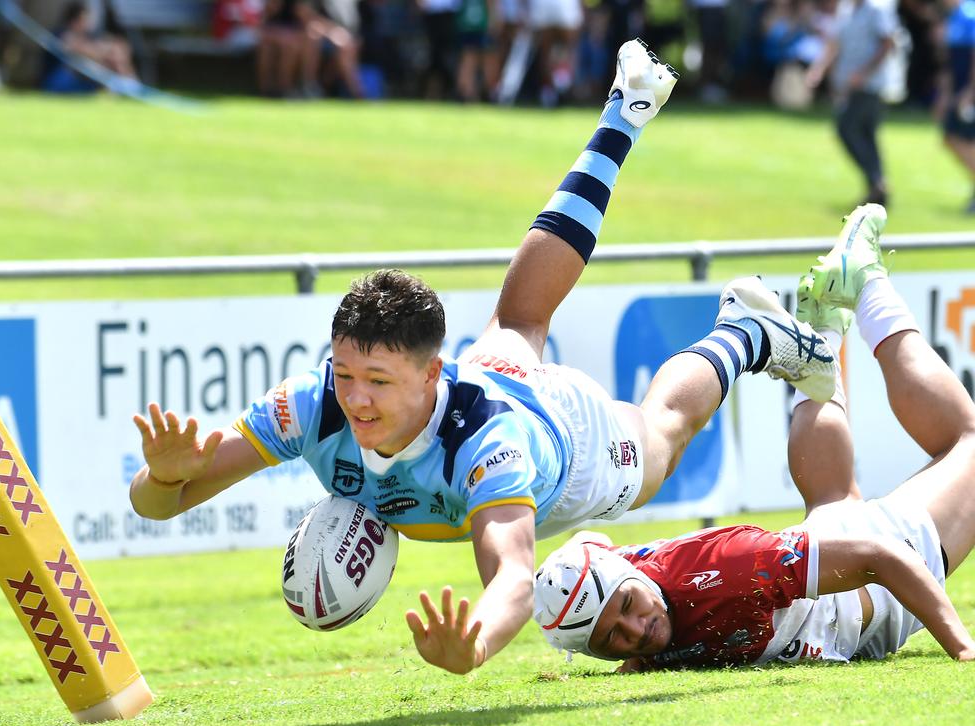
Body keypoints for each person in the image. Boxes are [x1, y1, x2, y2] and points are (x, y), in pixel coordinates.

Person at [130, 39, 838, 675]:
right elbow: (158, 504)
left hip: (569, 445)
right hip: (497, 373)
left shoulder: (486, 446)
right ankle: (627, 110)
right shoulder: (309, 407)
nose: (356, 398)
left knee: (662, 433)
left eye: (378, 381)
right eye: (345, 374)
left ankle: (744, 333)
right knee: (520, 317)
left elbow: (513, 577)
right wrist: (164, 476)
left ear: (431, 374)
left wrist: (475, 646)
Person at [534, 203, 975, 669]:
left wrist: (964, 650)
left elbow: (882, 555)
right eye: (610, 642)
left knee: (967, 440)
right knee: (831, 500)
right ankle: (822, 332)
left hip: (879, 580)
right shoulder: (619, 590)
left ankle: (868, 283)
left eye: (626, 608)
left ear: (632, 576)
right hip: (822, 578)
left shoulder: (728, 566)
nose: (636, 632)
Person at [806, 0, 899, 206]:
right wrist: (820, 70)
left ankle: (877, 181)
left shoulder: (877, 9)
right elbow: (835, 43)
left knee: (847, 129)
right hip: (849, 84)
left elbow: (888, 43)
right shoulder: (846, 9)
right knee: (866, 135)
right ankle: (877, 190)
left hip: (871, 85)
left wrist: (864, 73)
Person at [42, 2, 138, 93]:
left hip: (77, 81)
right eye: (84, 20)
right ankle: (127, 86)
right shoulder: (62, 34)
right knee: (95, 63)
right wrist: (107, 51)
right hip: (57, 82)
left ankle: (129, 85)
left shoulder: (85, 36)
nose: (88, 23)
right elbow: (81, 49)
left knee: (113, 55)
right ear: (74, 21)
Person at [937, 0, 975, 213]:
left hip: (969, 91)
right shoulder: (954, 17)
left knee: (957, 137)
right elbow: (950, 62)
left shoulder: (970, 14)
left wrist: (969, 93)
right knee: (952, 138)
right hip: (960, 90)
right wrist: (945, 94)